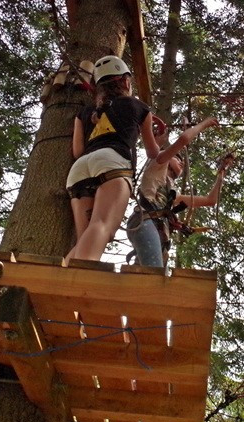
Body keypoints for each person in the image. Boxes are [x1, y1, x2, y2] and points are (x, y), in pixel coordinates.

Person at [65, 55, 159, 263]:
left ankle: (61, 277)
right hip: (113, 163)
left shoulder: (83, 113)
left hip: (79, 170)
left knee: (86, 237)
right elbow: (153, 153)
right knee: (101, 226)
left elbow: (78, 151)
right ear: (126, 81)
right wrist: (159, 138)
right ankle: (81, 279)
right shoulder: (140, 107)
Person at [127, 117, 233, 267]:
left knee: (147, 276)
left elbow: (210, 200)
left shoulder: (172, 194)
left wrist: (221, 175)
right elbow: (183, 140)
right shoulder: (157, 164)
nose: (182, 163)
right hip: (145, 221)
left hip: (155, 229)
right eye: (177, 158)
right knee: (154, 275)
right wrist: (205, 123)